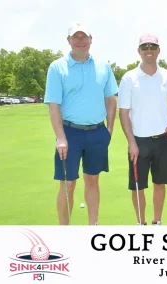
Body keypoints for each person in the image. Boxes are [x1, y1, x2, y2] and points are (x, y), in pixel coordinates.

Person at [44, 22, 118, 225]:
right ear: (68, 41)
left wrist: (109, 130)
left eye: (83, 37)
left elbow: (111, 99)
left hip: (97, 133)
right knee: (68, 184)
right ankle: (65, 230)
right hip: (69, 133)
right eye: (75, 37)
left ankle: (93, 226)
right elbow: (54, 105)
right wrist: (60, 137)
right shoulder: (57, 67)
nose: (80, 41)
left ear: (91, 39)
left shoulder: (104, 66)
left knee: (93, 181)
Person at [118, 33, 167, 225]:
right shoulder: (128, 78)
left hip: (164, 139)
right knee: (138, 186)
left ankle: (157, 222)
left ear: (158, 50)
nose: (148, 50)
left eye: (152, 46)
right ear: (139, 51)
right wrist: (131, 142)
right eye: (144, 47)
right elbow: (123, 113)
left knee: (160, 183)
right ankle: (141, 224)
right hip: (139, 141)